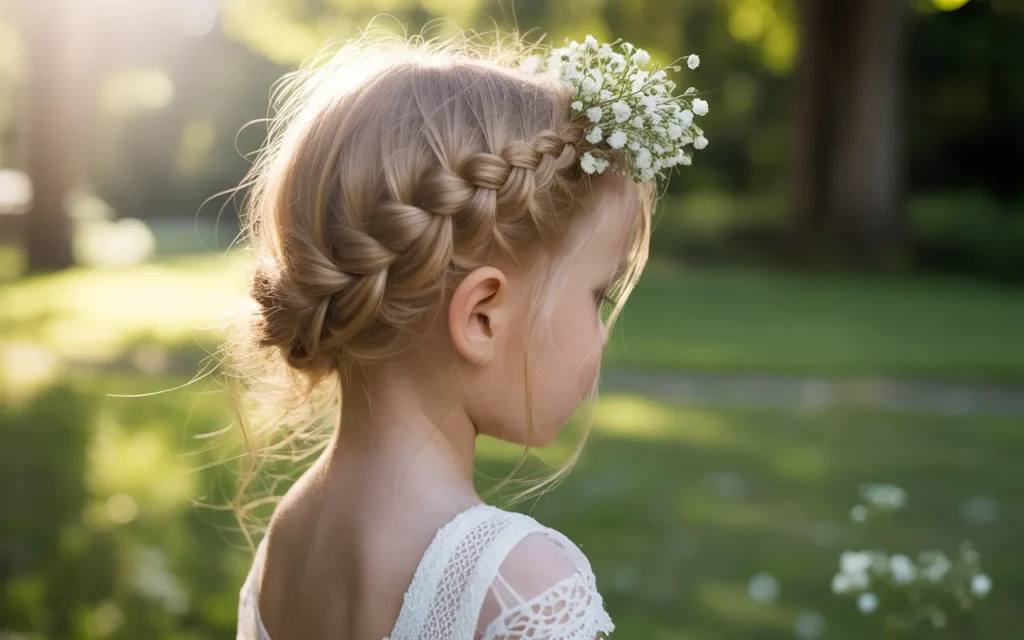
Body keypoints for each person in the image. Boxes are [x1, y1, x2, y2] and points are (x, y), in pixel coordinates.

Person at [232, 28, 708, 640]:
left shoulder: (288, 542)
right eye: (598, 295)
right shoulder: (517, 586)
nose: (604, 332)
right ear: (482, 315)